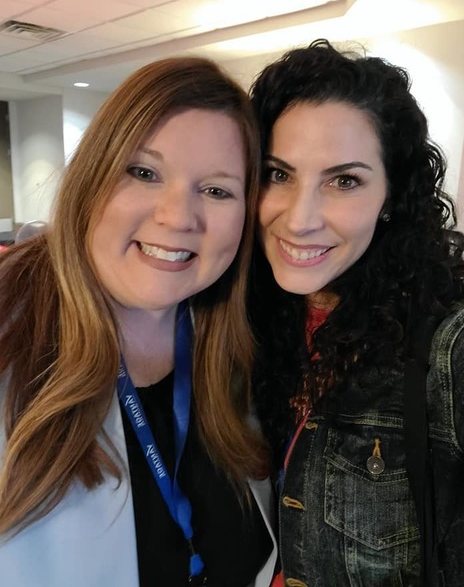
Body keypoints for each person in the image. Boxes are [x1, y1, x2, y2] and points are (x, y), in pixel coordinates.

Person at [0, 56, 277, 587]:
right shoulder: (13, 339)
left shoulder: (239, 349)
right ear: (91, 178)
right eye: (144, 173)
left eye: (217, 190)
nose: (178, 217)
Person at [248, 38, 464, 587]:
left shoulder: (453, 341)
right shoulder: (242, 322)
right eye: (279, 174)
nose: (300, 219)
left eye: (344, 181)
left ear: (392, 197)